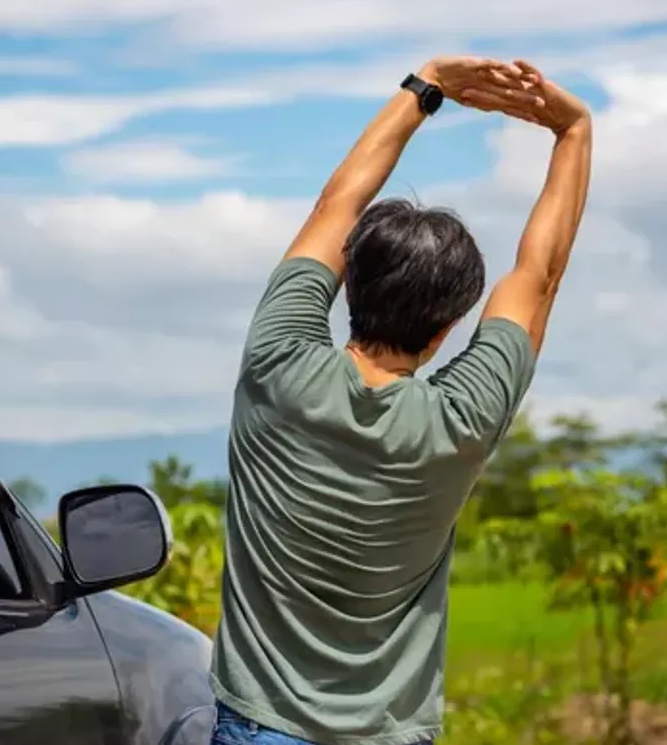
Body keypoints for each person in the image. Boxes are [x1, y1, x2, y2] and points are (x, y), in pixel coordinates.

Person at [208, 56, 593, 745]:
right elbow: (540, 274)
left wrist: (428, 85)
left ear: (345, 286)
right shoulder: (462, 419)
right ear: (447, 330)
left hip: (261, 726)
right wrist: (572, 131)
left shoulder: (278, 364)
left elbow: (337, 208)